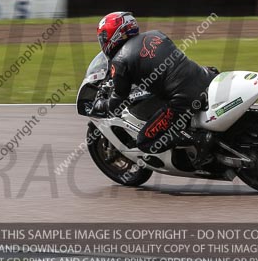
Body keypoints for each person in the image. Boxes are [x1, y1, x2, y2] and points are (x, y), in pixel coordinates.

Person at [92, 11, 218, 166]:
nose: (103, 41)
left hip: (183, 98)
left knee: (145, 142)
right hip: (205, 77)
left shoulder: (120, 61)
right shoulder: (156, 34)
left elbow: (118, 100)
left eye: (104, 37)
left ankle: (198, 139)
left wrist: (102, 104)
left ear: (115, 35)